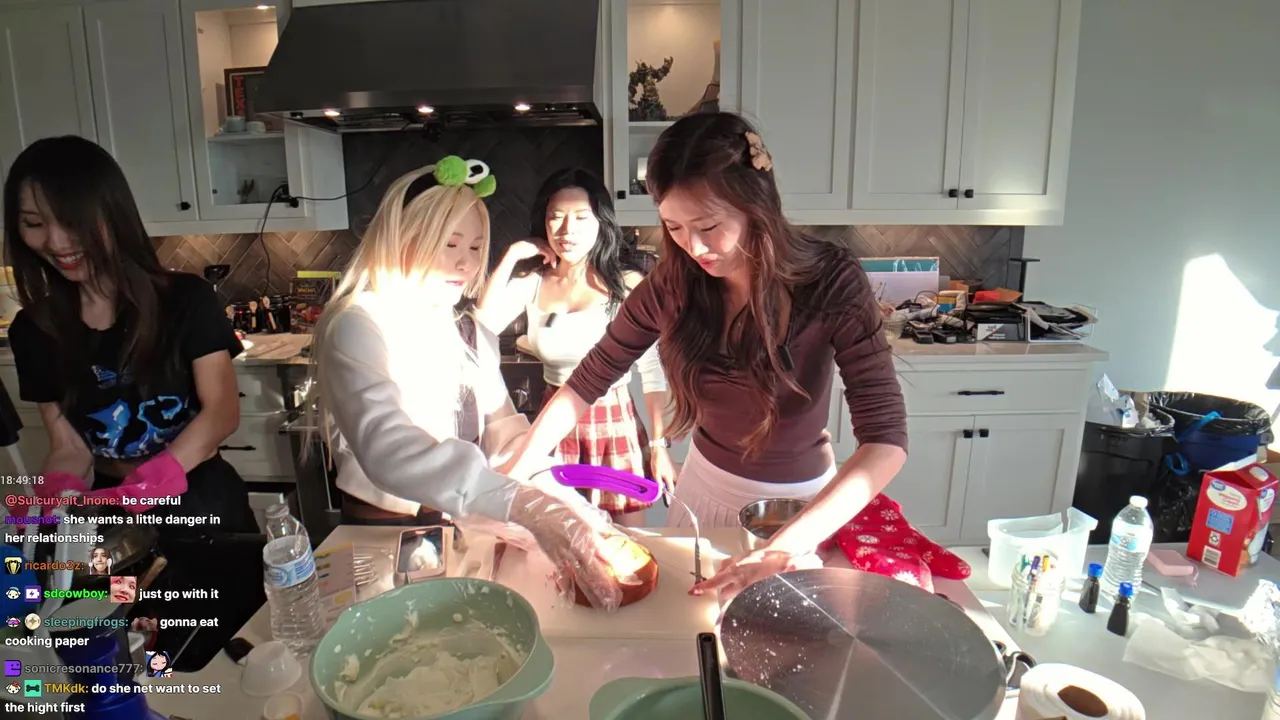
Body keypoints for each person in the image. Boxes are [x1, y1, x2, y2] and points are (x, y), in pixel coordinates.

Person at [500, 113, 909, 598]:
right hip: (704, 491)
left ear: (755, 205)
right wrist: (514, 470)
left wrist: (780, 548)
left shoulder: (830, 280)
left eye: (708, 225)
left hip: (799, 511)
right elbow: (591, 377)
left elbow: (885, 439)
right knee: (689, 625)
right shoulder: (673, 285)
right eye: (673, 226)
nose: (693, 247)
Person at [307, 157, 623, 609]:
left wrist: (562, 500)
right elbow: (389, 448)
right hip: (381, 538)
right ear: (402, 238)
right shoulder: (358, 325)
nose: (466, 263)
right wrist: (521, 505)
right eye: (449, 244)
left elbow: (504, 430)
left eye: (476, 247)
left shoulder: (465, 328)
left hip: (462, 530)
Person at [3, 136, 256, 532]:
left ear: (112, 213)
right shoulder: (33, 330)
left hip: (200, 496)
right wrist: (49, 502)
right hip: (111, 507)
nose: (56, 242)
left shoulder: (185, 299)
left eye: (71, 221)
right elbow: (69, 446)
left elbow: (221, 412)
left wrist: (155, 479)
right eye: (34, 224)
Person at [476, 168, 673, 524]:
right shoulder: (534, 281)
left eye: (581, 218)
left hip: (613, 423)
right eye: (556, 217)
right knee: (561, 533)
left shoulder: (625, 284)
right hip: (553, 425)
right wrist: (512, 256)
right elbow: (481, 327)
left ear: (601, 223)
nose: (567, 231)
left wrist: (659, 446)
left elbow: (652, 371)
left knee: (626, 539)